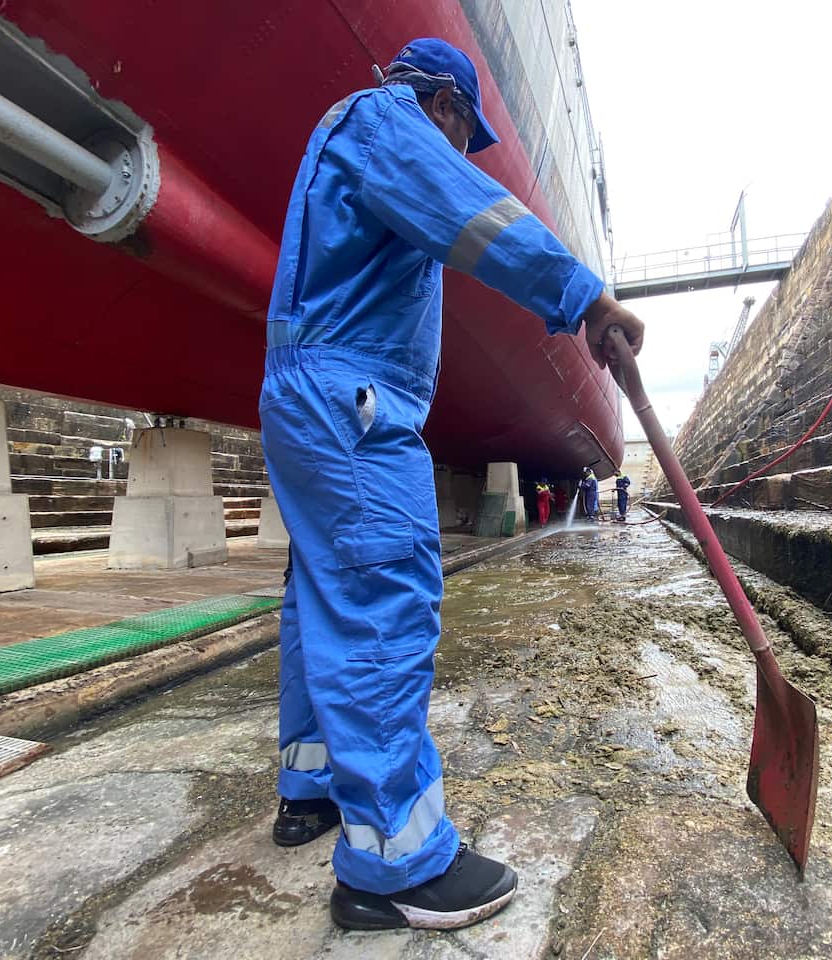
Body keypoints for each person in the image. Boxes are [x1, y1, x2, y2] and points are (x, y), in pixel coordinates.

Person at [259, 38, 645, 932]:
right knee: (384, 601)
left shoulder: (350, 134)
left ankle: (310, 783)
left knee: (321, 596)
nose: (458, 146)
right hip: (352, 402)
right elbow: (478, 216)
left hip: (311, 392)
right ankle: (392, 862)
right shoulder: (388, 122)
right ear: (444, 105)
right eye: (461, 130)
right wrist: (584, 298)